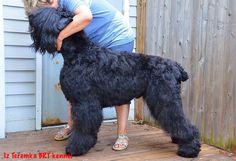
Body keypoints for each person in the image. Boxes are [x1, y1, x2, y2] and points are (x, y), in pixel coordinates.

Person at [23, 0, 134, 151]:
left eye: (42, 9)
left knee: (118, 86)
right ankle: (72, 126)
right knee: (77, 84)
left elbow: (86, 17)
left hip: (116, 37)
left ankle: (122, 134)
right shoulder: (58, 8)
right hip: (95, 39)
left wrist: (60, 37)